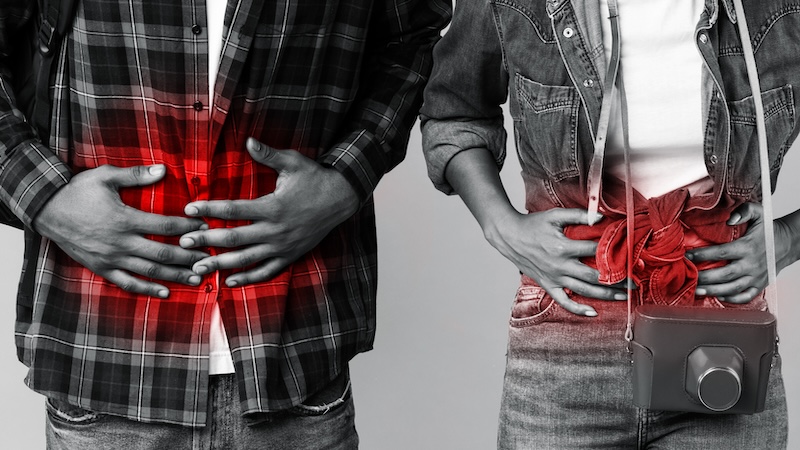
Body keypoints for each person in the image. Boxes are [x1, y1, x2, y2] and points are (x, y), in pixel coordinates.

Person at [0, 0, 451, 448]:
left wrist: (347, 179)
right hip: (103, 353)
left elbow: (412, 37)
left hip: (294, 353)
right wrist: (46, 198)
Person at [421, 0, 797, 447]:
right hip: (567, 339)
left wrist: (788, 239)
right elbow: (453, 111)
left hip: (722, 341)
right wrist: (501, 225)